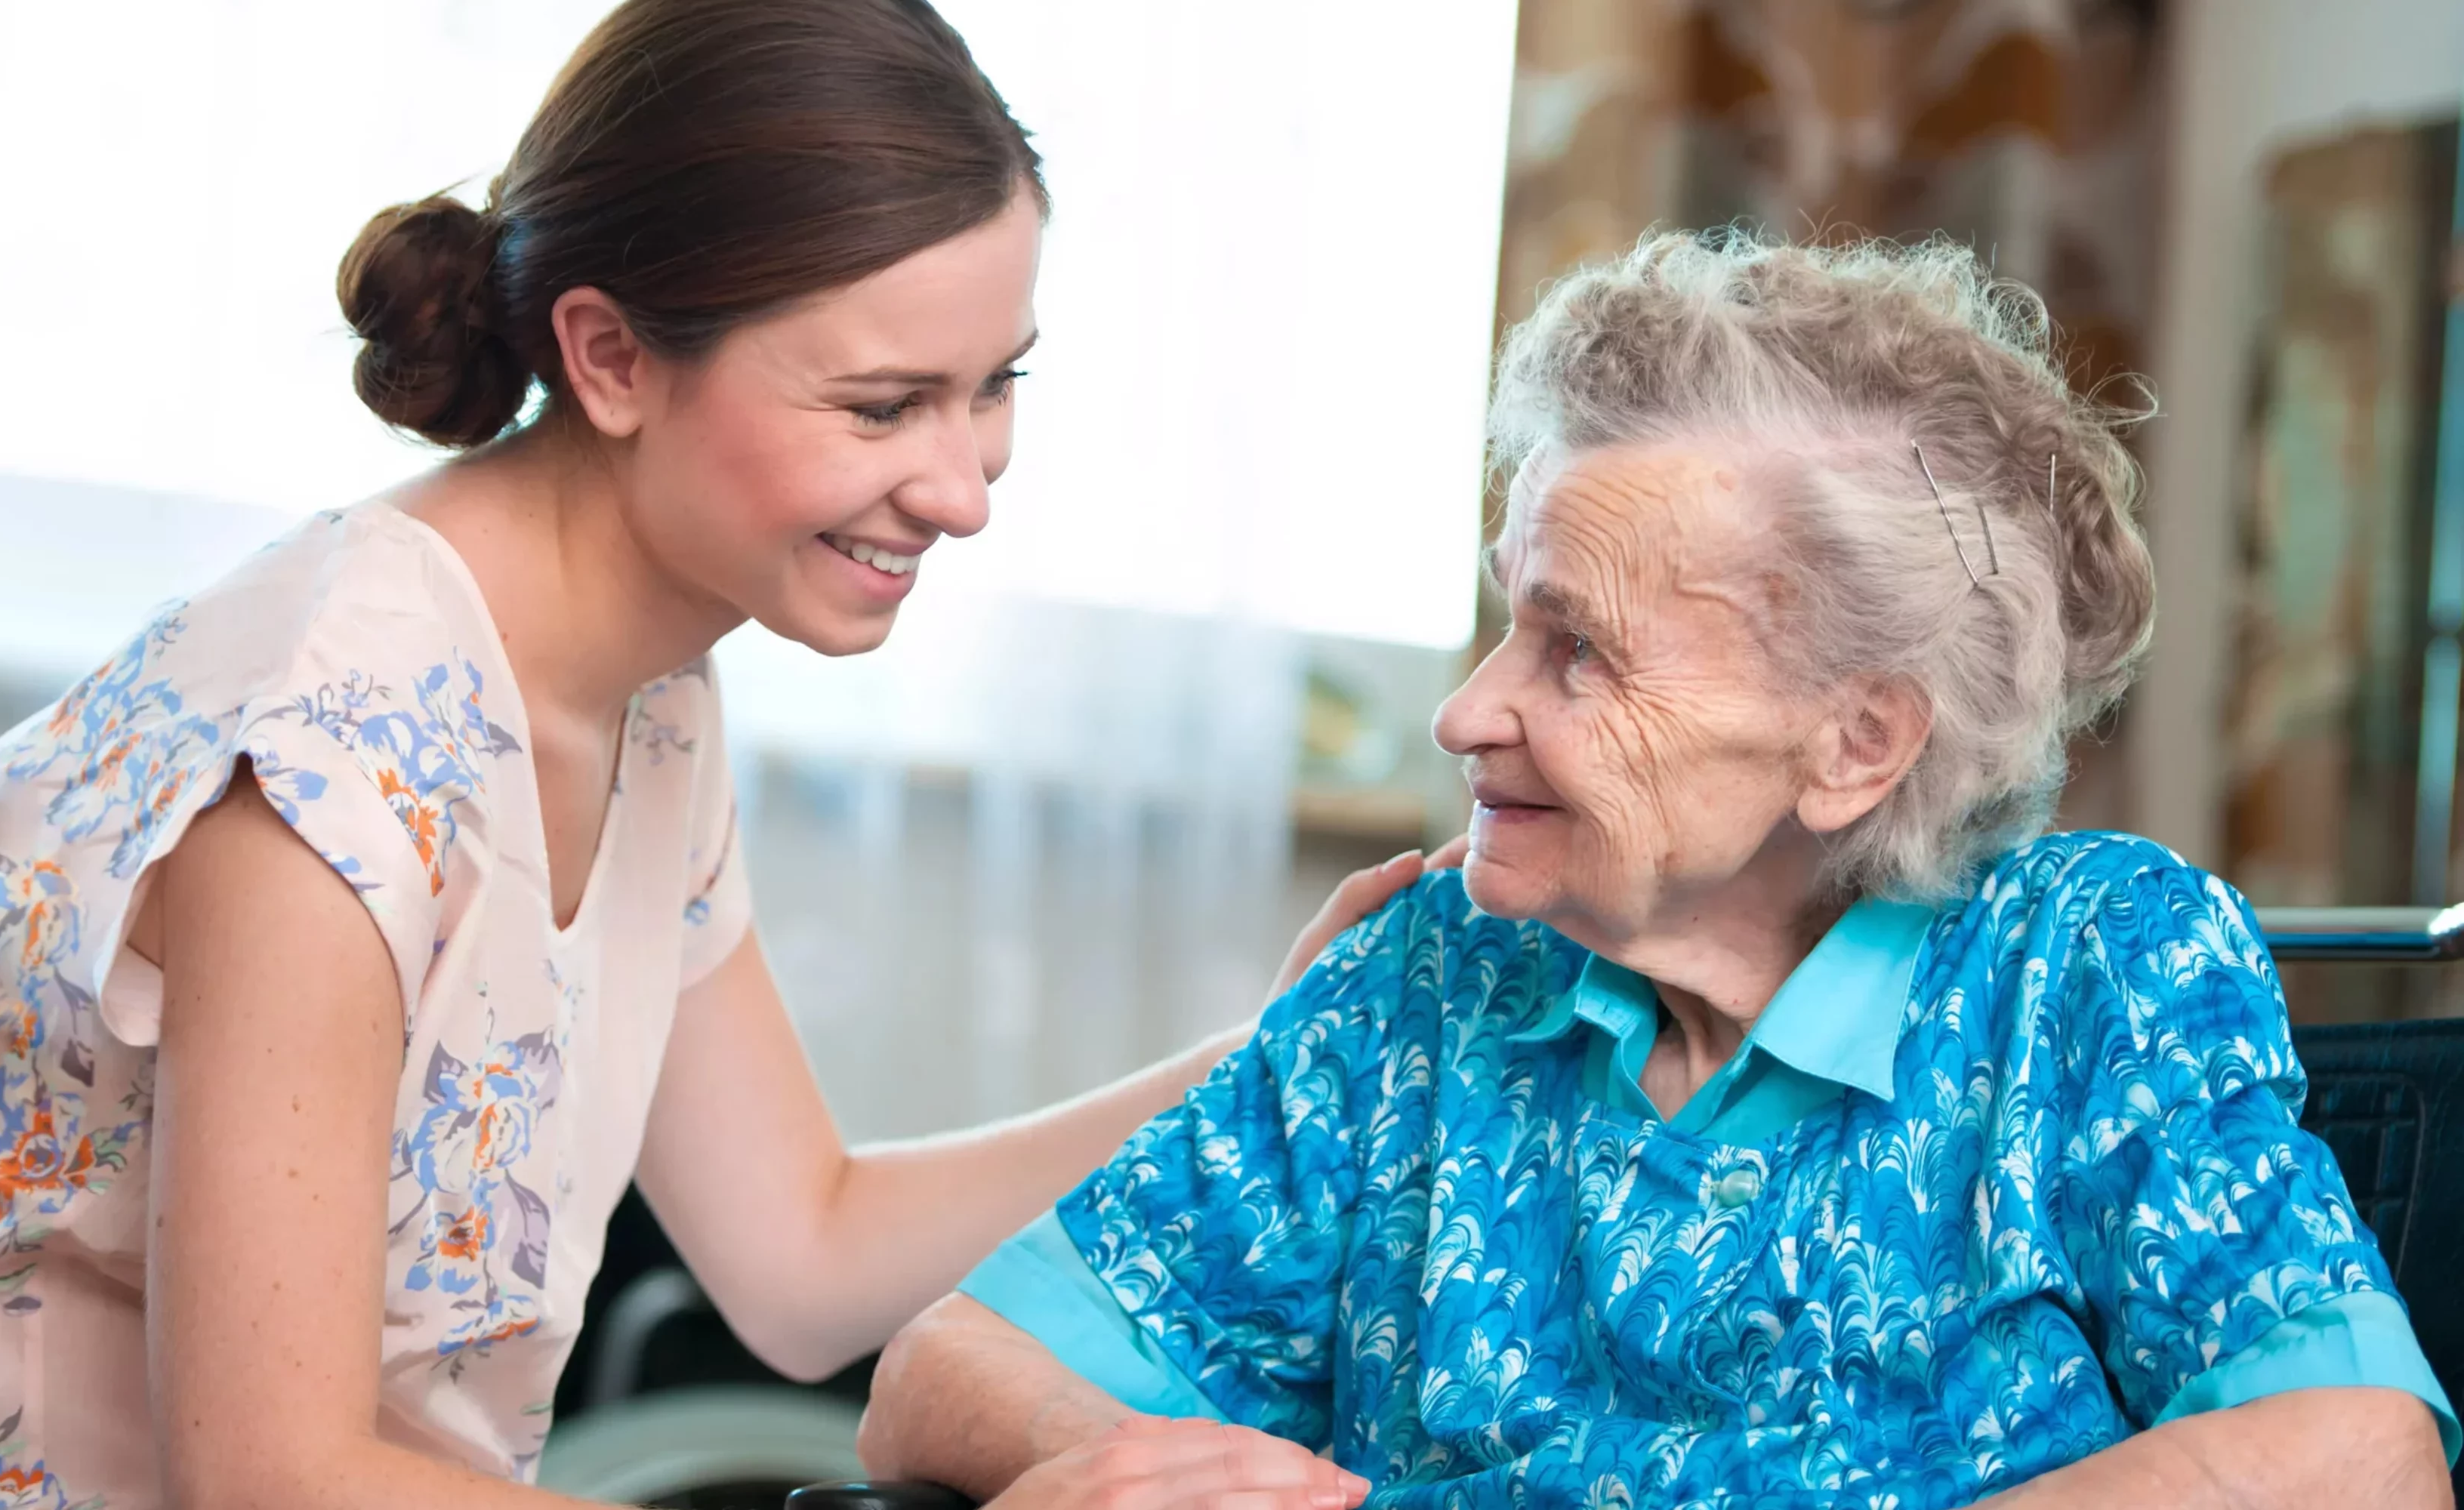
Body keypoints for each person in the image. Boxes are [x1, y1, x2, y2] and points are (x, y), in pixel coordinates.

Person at [0, 3, 1436, 1505]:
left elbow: (802, 1258)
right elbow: (275, 1482)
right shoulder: (323, 766)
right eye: (883, 407)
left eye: (991, 386)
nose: (963, 491)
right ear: (608, 358)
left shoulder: (645, 697)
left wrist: (1277, 1051)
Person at [860, 232, 2462, 1510]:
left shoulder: (2086, 964)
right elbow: (942, 1370)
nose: (1464, 714)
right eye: (1510, 619)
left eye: (1579, 650)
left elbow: (2349, 1453)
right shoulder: (1434, 969)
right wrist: (1124, 1470)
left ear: (1854, 743)